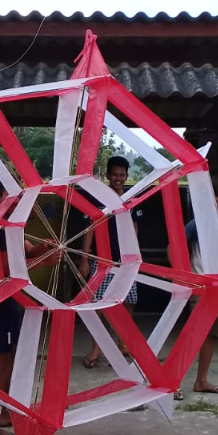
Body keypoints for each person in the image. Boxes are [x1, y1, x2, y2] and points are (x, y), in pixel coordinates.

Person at [0, 179, 58, 435]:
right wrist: (42, 260)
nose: (15, 202)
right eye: (10, 197)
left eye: (19, 197)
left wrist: (42, 247)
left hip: (10, 299)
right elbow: (6, 269)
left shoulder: (12, 226)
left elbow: (26, 252)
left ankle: (5, 414)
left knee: (10, 358)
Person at [79, 156, 143, 368]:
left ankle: (123, 344)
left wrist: (135, 257)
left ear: (126, 176)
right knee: (98, 305)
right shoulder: (98, 200)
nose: (118, 178)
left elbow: (134, 228)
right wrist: (85, 258)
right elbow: (90, 230)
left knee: (129, 302)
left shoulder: (132, 199)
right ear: (107, 176)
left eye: (122, 175)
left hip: (126, 262)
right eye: (115, 174)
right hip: (102, 260)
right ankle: (97, 348)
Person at [182, 184, 218, 394]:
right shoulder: (196, 225)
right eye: (211, 206)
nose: (215, 210)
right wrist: (183, 275)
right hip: (199, 286)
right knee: (194, 334)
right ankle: (173, 383)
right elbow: (173, 247)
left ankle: (201, 380)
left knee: (212, 334)